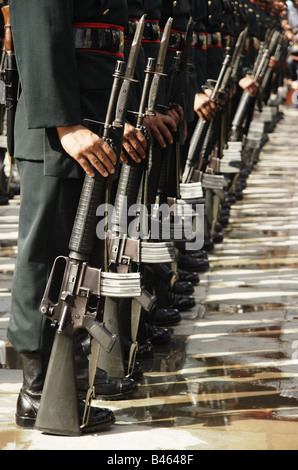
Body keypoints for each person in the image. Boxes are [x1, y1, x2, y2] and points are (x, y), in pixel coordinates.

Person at [7, 0, 148, 433]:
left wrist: (120, 118)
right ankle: (36, 390)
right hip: (61, 123)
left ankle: (67, 375)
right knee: (45, 253)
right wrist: (65, 124)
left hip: (95, 111)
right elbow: (37, 24)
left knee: (82, 257)